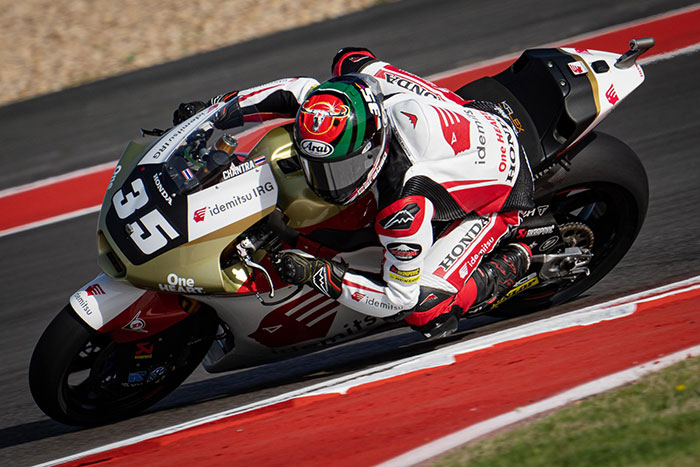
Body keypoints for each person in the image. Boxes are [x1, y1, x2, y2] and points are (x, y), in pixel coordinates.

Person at [173, 47, 535, 338]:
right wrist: (213, 113)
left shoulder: (402, 208)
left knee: (424, 309)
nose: (325, 182)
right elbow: (287, 92)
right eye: (316, 167)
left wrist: (319, 273)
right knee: (353, 61)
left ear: (372, 149)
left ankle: (518, 259)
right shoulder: (344, 97)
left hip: (502, 194)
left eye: (339, 170)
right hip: (462, 117)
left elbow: (396, 298)